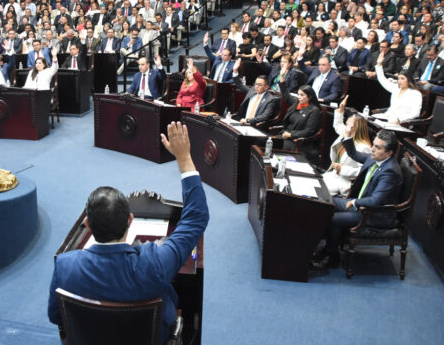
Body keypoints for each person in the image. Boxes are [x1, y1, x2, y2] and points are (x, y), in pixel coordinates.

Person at [47, 121, 209, 341]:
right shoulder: (155, 263)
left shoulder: (65, 265)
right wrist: (184, 158)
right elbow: (195, 218)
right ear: (130, 220)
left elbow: (57, 317)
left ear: (87, 223)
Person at [312, 130, 402, 269]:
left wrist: (354, 202)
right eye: (373, 145)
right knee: (324, 203)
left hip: (374, 214)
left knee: (332, 219)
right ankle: (318, 247)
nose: (372, 149)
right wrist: (348, 135)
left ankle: (332, 258)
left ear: (389, 153)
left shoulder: (390, 171)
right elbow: (354, 154)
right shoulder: (376, 157)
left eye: (378, 147)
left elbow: (375, 201)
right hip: (361, 205)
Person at [322, 96, 373, 196]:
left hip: (343, 182)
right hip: (333, 175)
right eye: (346, 124)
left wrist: (343, 169)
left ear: (356, 128)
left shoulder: (364, 147)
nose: (346, 127)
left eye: (349, 125)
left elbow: (363, 172)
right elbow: (337, 125)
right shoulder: (346, 134)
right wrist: (341, 109)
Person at [278, 85, 322, 163]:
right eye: (298, 94)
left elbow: (309, 131)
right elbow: (286, 95)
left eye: (302, 95)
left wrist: (291, 134)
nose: (299, 97)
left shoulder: (314, 111)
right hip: (285, 135)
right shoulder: (296, 104)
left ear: (310, 97)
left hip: (300, 141)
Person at [230, 61, 280, 128]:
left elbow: (265, 116)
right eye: (255, 84)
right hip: (242, 123)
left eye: (259, 85)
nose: (256, 86)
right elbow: (240, 85)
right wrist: (235, 71)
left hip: (256, 126)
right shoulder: (252, 91)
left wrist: (248, 120)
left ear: (266, 87)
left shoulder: (270, 99)